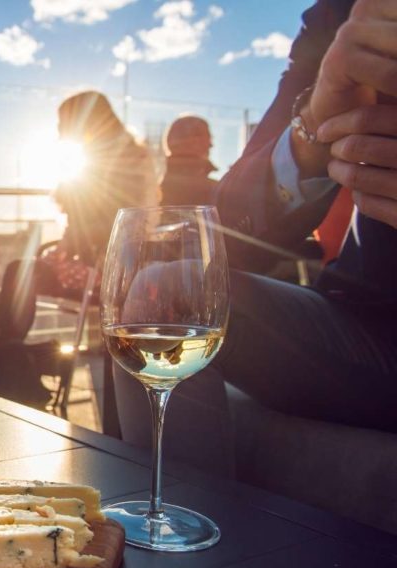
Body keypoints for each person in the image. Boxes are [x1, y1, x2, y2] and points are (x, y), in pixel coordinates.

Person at [113, 0, 397, 478]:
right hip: (370, 319)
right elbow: (230, 225)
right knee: (160, 294)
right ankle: (175, 529)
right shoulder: (342, 16)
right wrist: (313, 130)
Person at [46, 91, 158, 294]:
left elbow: (99, 228)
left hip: (103, 269)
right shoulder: (125, 157)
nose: (58, 128)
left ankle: (5, 325)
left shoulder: (98, 163)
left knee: (20, 272)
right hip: (112, 265)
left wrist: (66, 247)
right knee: (24, 271)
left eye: (62, 121)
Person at [160, 115, 218, 206]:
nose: (211, 145)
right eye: (208, 137)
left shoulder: (157, 186)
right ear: (194, 140)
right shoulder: (214, 190)